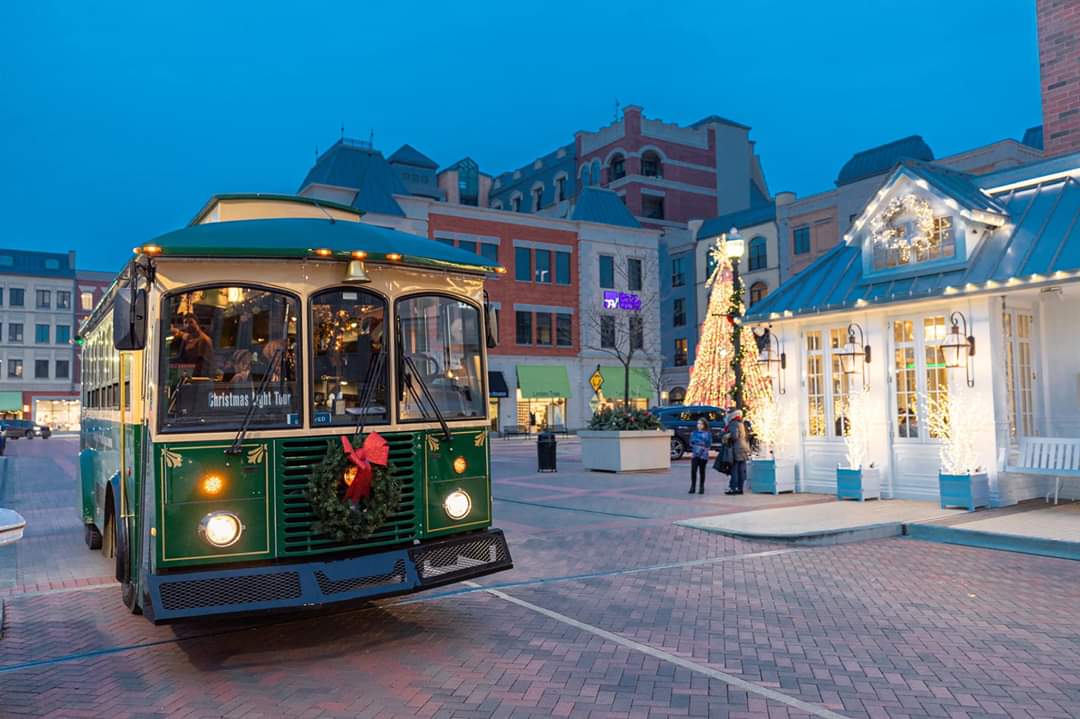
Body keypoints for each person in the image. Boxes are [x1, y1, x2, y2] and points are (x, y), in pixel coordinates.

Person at [723, 408, 751, 495]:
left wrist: (727, 436)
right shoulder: (741, 422)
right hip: (744, 448)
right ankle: (740, 488)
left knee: (734, 470)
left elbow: (735, 436)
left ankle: (733, 488)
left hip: (736, 449)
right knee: (741, 470)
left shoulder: (733, 423)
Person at [688, 418, 711, 494]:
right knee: (693, 471)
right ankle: (693, 486)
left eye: (701, 424)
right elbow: (691, 442)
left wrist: (702, 447)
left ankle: (701, 487)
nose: (699, 425)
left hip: (703, 455)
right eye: (698, 423)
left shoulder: (708, 434)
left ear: (704, 425)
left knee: (702, 471)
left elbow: (708, 444)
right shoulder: (694, 433)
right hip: (695, 454)